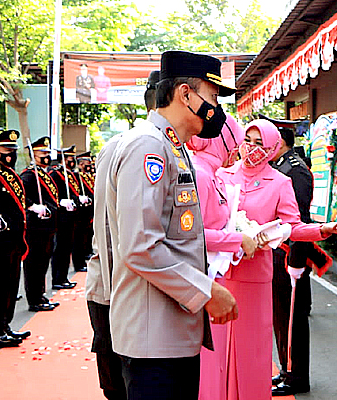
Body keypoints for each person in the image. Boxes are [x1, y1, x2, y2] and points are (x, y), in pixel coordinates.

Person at [105, 50, 238, 400]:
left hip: (171, 332)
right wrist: (205, 290)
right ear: (185, 94)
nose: (216, 109)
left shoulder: (172, 147)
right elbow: (141, 245)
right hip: (153, 339)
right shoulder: (148, 146)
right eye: (211, 97)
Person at [216, 119, 337, 400]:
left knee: (253, 346)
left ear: (273, 147)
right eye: (247, 141)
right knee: (222, 348)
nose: (251, 148)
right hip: (223, 272)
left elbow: (293, 226)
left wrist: (322, 229)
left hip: (256, 275)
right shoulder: (223, 176)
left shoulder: (280, 182)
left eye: (259, 144)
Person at [86, 69, 160, 400]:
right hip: (122, 288)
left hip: (115, 285)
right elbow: (107, 224)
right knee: (125, 384)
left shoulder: (128, 143)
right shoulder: (140, 147)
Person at [190, 114, 256, 400]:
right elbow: (193, 234)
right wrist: (237, 238)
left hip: (212, 277)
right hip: (203, 280)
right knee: (206, 363)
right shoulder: (201, 174)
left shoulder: (210, 172)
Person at [267, 117, 316, 396]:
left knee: (293, 320)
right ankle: (287, 369)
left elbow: (299, 221)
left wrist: (296, 263)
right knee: (281, 318)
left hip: (289, 257)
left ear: (281, 139)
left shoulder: (294, 170)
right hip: (279, 256)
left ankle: (297, 376)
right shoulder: (280, 166)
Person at [0, 129, 31, 347]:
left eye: (13, 151)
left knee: (11, 285)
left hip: (13, 240)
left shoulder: (10, 175)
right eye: (6, 151)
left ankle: (6, 325)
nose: (11, 155)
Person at [20, 137, 60, 312]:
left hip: (47, 227)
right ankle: (34, 298)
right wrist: (32, 206)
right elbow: (22, 197)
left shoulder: (44, 174)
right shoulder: (28, 176)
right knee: (34, 264)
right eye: (41, 153)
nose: (46, 156)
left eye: (46, 153)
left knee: (43, 263)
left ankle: (40, 294)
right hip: (35, 227)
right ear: (33, 156)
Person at [48, 145, 85, 290]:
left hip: (71, 216)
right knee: (60, 248)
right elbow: (53, 194)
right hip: (61, 217)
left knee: (66, 248)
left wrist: (77, 199)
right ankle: (57, 279)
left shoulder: (71, 175)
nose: (73, 161)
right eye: (70, 159)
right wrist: (61, 201)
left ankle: (63, 277)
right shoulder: (56, 174)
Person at [72, 151, 94, 272]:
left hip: (87, 211)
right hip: (80, 213)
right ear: (80, 164)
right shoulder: (76, 176)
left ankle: (83, 258)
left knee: (85, 236)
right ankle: (79, 262)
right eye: (86, 163)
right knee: (78, 239)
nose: (89, 165)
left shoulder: (86, 176)